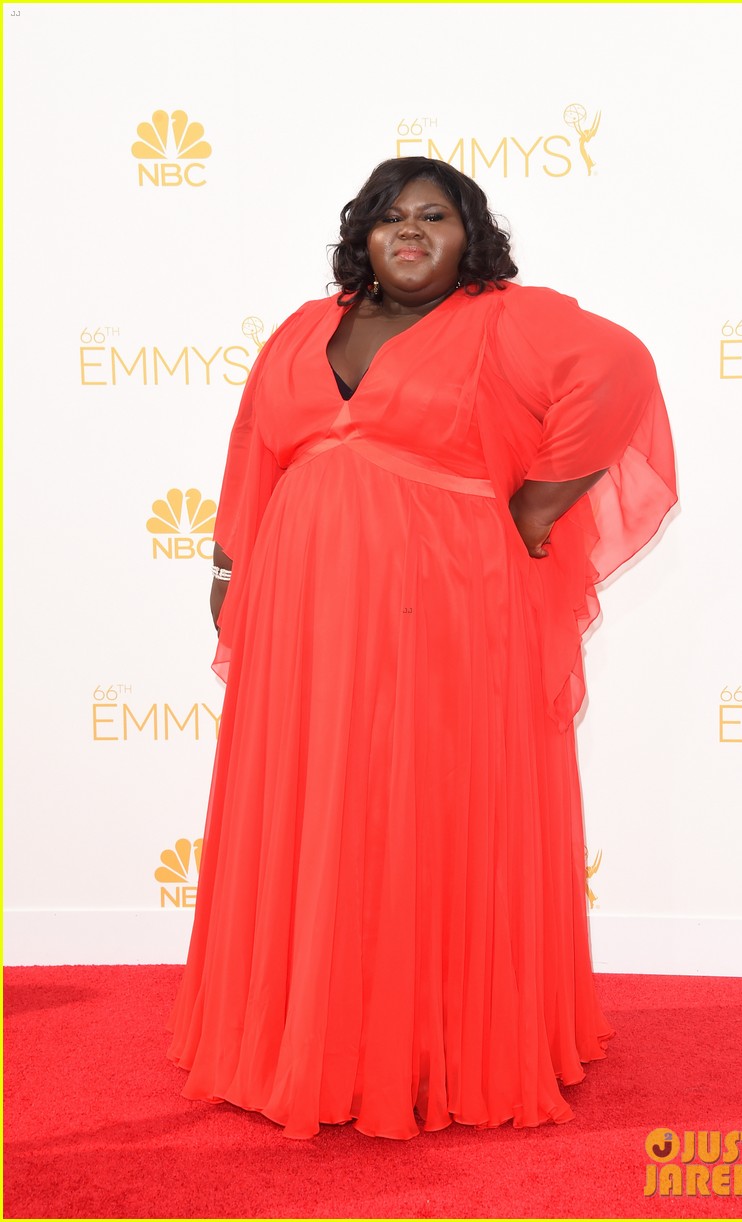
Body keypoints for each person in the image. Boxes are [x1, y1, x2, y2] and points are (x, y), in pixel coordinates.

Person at [166, 157, 677, 1140]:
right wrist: (231, 572)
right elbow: (253, 452)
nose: (410, 233)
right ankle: (314, 1035)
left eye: (433, 216)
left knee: (428, 797)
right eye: (390, 217)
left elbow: (616, 370)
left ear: (468, 233)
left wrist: (535, 505)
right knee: (324, 804)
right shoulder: (304, 330)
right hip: (306, 606)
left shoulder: (505, 319)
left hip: (448, 600)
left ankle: (436, 1045)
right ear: (360, 234)